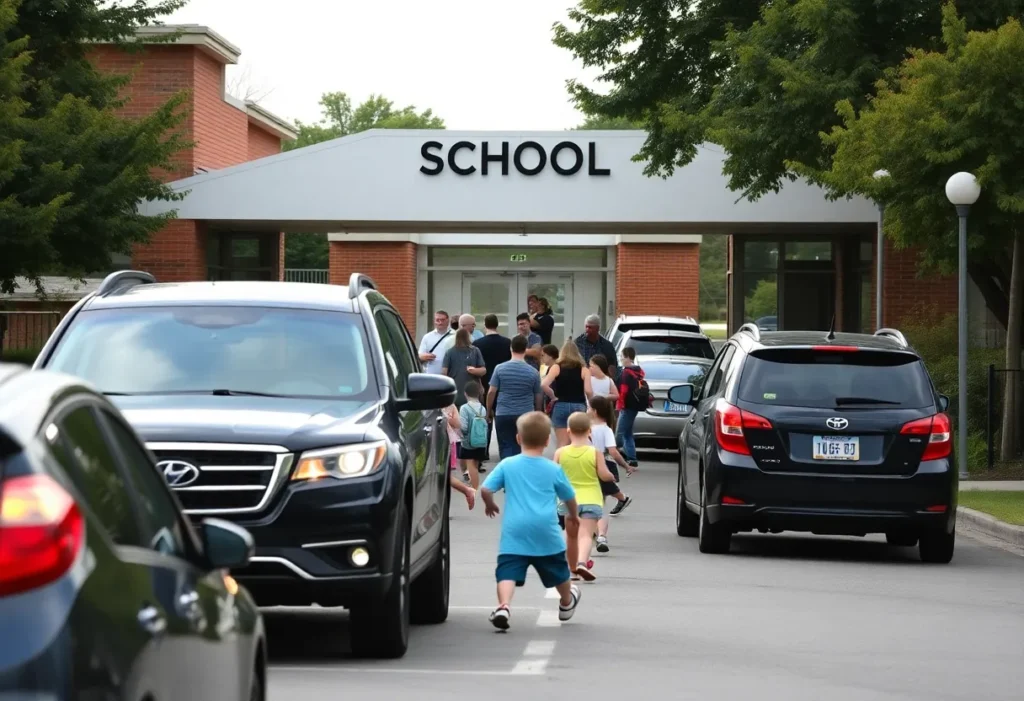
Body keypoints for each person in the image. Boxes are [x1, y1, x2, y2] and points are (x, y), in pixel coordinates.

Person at [480, 412, 583, 630]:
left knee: (507, 571)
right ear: (547, 441)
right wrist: (573, 516)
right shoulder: (553, 468)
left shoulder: (508, 464)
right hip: (546, 528)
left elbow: (486, 488)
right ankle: (566, 602)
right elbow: (569, 497)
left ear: (518, 438)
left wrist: (490, 504)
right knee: (558, 570)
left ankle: (504, 606)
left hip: (515, 529)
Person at [554, 411, 616, 582]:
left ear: (568, 431)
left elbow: (554, 477)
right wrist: (611, 476)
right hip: (591, 500)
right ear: (590, 431)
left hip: (568, 501)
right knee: (586, 535)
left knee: (571, 535)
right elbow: (604, 475)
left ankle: (571, 570)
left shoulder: (560, 452)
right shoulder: (595, 452)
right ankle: (582, 562)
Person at [588, 396, 634, 554]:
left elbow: (613, 451)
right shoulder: (606, 429)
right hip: (604, 465)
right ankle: (600, 535)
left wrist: (625, 464)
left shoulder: (588, 428)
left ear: (594, 411)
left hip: (590, 466)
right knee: (599, 504)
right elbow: (612, 452)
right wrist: (625, 465)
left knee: (593, 504)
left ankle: (598, 534)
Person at [487, 335, 544, 460]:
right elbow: (538, 395)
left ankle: (508, 475)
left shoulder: (499, 368)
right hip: (525, 414)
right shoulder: (533, 372)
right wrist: (538, 412)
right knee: (525, 447)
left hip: (503, 413)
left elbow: (491, 391)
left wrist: (488, 410)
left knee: (506, 446)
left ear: (511, 348)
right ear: (525, 349)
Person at [473, 313, 512, 457]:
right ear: (497, 324)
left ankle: (484, 451)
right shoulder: (508, 343)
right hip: (503, 385)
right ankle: (505, 451)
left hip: (484, 383)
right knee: (502, 418)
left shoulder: (477, 344)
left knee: (485, 418)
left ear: (485, 325)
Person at [543, 339, 591, 448]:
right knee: (578, 442)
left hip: (560, 405)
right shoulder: (584, 369)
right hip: (578, 405)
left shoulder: (556, 367)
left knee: (562, 443)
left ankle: (560, 464)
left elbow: (544, 385)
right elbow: (588, 391)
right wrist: (590, 404)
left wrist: (553, 396)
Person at [442, 401, 476, 511]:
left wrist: (444, 416)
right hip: (441, 440)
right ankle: (466, 490)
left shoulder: (448, 405)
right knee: (443, 476)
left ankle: (444, 508)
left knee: (442, 475)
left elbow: (457, 423)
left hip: (443, 441)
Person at [616, 347, 645, 470]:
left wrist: (619, 405)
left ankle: (613, 453)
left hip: (627, 406)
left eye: (622, 356)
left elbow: (623, 390)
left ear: (628, 357)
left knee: (619, 432)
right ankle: (632, 458)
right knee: (628, 433)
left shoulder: (626, 373)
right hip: (635, 405)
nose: (621, 359)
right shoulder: (639, 371)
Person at [442, 328, 486, 406]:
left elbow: (444, 373)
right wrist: (475, 370)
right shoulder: (475, 351)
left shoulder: (449, 352)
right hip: (473, 390)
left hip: (455, 389)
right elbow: (483, 371)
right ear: (468, 337)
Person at [458, 380, 489, 489]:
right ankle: (472, 484)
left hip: (468, 441)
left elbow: (464, 427)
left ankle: (474, 488)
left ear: (465, 393)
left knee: (470, 464)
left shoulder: (464, 408)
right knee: (475, 464)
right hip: (480, 440)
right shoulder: (482, 408)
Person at [574, 314, 618, 379]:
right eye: (586, 327)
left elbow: (612, 366)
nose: (587, 330)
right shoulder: (578, 343)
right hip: (582, 381)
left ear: (597, 328)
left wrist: (609, 380)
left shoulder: (607, 346)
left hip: (600, 381)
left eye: (590, 327)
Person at [418, 310, 453, 375]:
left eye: (443, 320)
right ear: (434, 321)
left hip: (450, 376)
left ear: (448, 321)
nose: (440, 322)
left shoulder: (454, 336)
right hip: (431, 376)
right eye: (437, 320)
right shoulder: (427, 337)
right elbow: (420, 356)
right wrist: (424, 357)